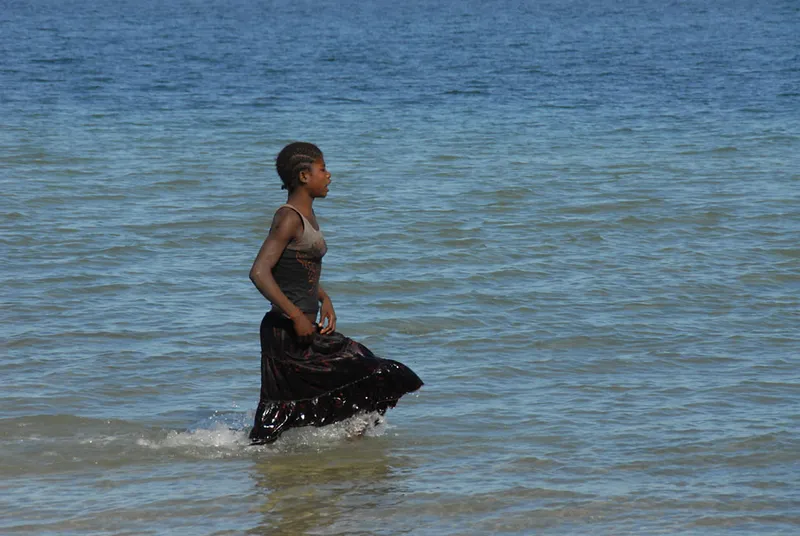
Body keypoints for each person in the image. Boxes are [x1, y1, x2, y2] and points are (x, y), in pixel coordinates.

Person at [248, 142, 423, 444]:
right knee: (273, 430)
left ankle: (346, 453)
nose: (329, 175)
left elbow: (295, 271)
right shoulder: (288, 217)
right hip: (286, 334)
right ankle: (263, 472)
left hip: (305, 330)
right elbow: (260, 272)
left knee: (372, 376)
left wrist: (322, 297)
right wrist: (295, 317)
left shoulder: (308, 216)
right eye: (322, 169)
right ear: (304, 175)